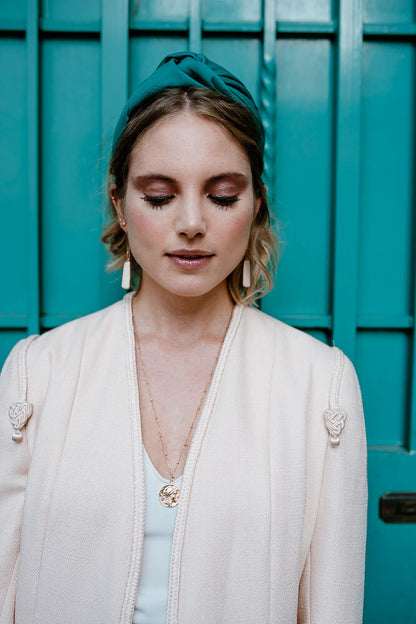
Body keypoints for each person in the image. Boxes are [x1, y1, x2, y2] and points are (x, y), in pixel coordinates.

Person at [0, 52, 367, 624]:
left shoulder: (321, 385)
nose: (192, 223)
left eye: (222, 196)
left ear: (256, 204)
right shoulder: (37, 373)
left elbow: (332, 605)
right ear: (120, 204)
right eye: (159, 195)